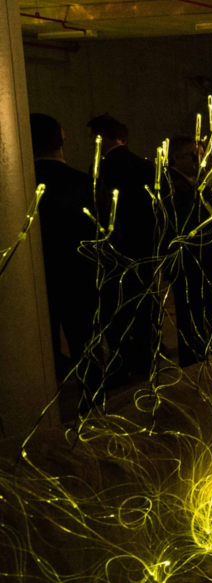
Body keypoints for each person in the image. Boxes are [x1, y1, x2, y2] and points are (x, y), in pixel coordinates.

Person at [31, 113, 102, 407]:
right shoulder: (83, 182)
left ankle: (42, 410)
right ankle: (95, 405)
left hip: (35, 279)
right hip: (79, 275)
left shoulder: (22, 183)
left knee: (37, 349)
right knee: (86, 343)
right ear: (62, 139)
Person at [88, 114, 158, 383]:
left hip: (114, 247)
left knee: (115, 307)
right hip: (143, 247)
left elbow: (100, 209)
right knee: (143, 303)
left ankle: (122, 361)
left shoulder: (102, 169)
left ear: (102, 138)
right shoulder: (145, 166)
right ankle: (145, 358)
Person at [162, 136, 212, 367]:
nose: (200, 160)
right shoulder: (173, 184)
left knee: (206, 305)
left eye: (202, 155)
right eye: (193, 155)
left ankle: (204, 346)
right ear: (177, 158)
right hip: (191, 257)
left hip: (204, 254)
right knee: (192, 308)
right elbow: (182, 220)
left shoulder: (193, 180)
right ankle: (195, 357)